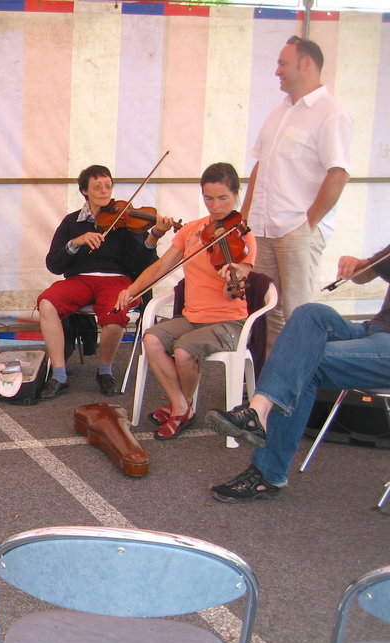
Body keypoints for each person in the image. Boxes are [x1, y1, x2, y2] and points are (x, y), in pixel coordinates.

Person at [206, 249, 390, 503]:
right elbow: (365, 274)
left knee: (304, 360)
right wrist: (357, 265)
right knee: (310, 313)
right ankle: (258, 410)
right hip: (373, 330)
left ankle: (266, 472)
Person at [114, 163, 256, 440]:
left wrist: (233, 278)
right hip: (193, 317)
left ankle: (181, 407)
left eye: (223, 198)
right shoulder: (192, 230)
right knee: (151, 339)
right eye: (209, 198)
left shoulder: (243, 235)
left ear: (236, 195)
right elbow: (161, 266)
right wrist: (132, 290)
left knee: (183, 351)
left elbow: (239, 282)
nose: (216, 206)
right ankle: (181, 405)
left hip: (229, 322)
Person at [243, 35, 352, 350]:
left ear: (306, 63)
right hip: (262, 229)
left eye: (282, 63)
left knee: (298, 314)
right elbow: (260, 166)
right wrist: (244, 218)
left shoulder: (332, 112)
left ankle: (301, 379)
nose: (276, 71)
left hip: (297, 230)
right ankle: (268, 379)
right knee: (265, 312)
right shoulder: (279, 111)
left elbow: (338, 173)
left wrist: (308, 223)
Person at [38, 165, 164, 399]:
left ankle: (105, 371)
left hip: (116, 280)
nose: (105, 191)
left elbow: (138, 266)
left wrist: (152, 238)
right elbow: (54, 265)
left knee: (115, 313)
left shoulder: (127, 221)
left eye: (108, 186)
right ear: (84, 191)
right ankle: (59, 374)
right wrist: (75, 243)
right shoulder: (71, 222)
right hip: (80, 280)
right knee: (47, 303)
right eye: (97, 187)